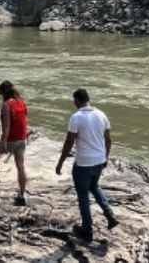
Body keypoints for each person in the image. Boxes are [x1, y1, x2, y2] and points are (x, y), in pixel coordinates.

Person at [54, 88, 118, 242]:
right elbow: (108, 139)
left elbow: (69, 142)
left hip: (83, 163)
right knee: (95, 186)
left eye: (74, 100)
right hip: (99, 160)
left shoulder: (76, 117)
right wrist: (105, 158)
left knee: (83, 195)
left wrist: (60, 163)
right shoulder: (102, 115)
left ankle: (87, 230)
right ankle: (110, 215)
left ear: (77, 100)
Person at [0, 80, 29, 206]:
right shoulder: (21, 101)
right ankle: (21, 196)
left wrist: (4, 141)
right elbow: (25, 118)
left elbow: (7, 125)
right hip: (22, 138)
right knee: (20, 166)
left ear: (3, 93)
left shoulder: (6, 105)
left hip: (11, 139)